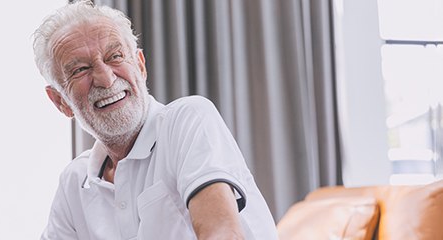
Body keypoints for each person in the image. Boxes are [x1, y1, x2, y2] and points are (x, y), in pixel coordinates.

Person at [34, 1, 278, 239]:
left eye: (115, 56)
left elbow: (223, 234)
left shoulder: (187, 119)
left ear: (140, 66)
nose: (106, 79)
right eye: (80, 70)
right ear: (60, 101)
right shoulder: (75, 182)